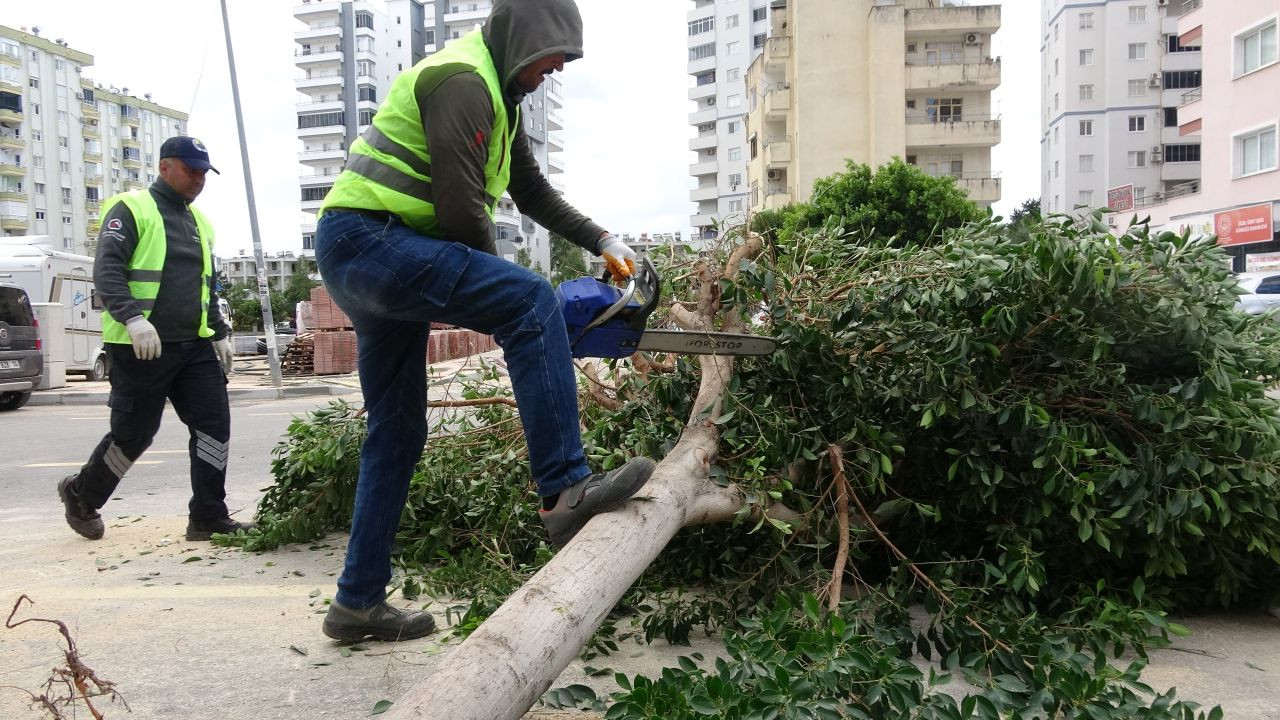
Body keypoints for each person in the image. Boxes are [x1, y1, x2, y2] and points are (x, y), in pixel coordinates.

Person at [314, 0, 654, 642]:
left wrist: (606, 240)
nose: (555, 71)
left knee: (397, 429)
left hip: (368, 251)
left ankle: (356, 603)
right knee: (529, 299)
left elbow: (530, 190)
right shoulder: (462, 82)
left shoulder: (499, 96)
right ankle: (565, 490)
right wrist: (512, 302)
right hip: (370, 242)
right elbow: (462, 211)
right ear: (525, 38)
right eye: (555, 56)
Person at [56, 137, 253, 543]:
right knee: (133, 435)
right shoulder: (130, 208)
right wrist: (132, 318)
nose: (199, 178)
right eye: (190, 169)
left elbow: (206, 285)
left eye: (204, 172)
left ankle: (207, 516)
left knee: (214, 428)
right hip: (140, 346)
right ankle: (81, 495)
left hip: (193, 347)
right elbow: (107, 269)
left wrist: (219, 333)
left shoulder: (201, 223)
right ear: (165, 167)